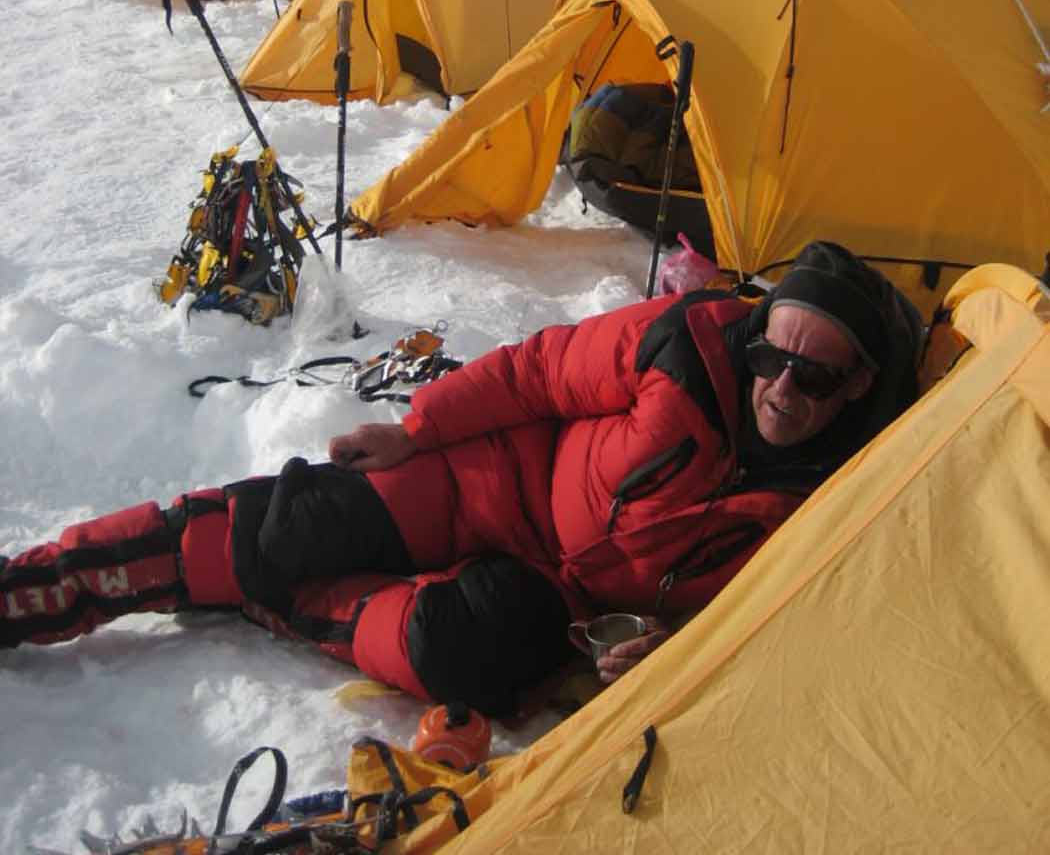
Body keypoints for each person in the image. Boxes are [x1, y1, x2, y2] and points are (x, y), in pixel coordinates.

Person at [0, 242, 921, 716]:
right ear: (754, 333)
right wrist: (417, 431)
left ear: (861, 387)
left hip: (557, 600)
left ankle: (285, 607)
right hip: (495, 477)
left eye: (819, 376)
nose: (782, 387)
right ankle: (43, 586)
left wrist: (671, 651)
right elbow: (532, 372)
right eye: (773, 355)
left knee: (458, 653)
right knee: (289, 527)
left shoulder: (831, 505)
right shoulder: (685, 342)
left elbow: (778, 627)